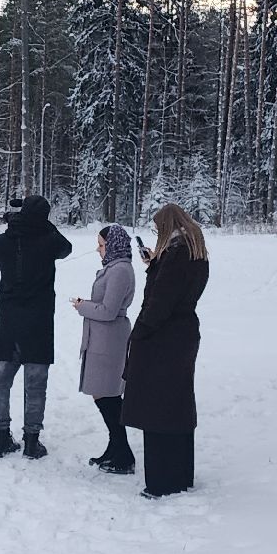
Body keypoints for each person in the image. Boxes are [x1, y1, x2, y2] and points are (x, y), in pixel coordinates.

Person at [123, 204, 210, 498]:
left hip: (163, 339)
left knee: (156, 410)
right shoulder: (195, 251)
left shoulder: (176, 255)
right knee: (177, 406)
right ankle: (181, 475)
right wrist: (154, 264)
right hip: (183, 334)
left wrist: (141, 331)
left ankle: (161, 481)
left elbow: (161, 300)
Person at [0, 195, 73, 459]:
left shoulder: (4, 240)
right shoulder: (49, 239)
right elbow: (66, 248)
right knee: (35, 385)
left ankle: (1, 438)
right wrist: (44, 226)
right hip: (38, 320)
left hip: (8, 319)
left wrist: (16, 225)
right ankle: (31, 441)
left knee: (1, 382)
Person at [72, 224, 137, 474]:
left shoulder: (120, 270)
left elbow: (109, 311)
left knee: (106, 394)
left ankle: (123, 454)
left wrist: (83, 306)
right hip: (102, 338)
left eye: (101, 244)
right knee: (103, 394)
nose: (98, 249)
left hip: (109, 340)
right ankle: (116, 448)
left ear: (113, 245)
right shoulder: (114, 267)